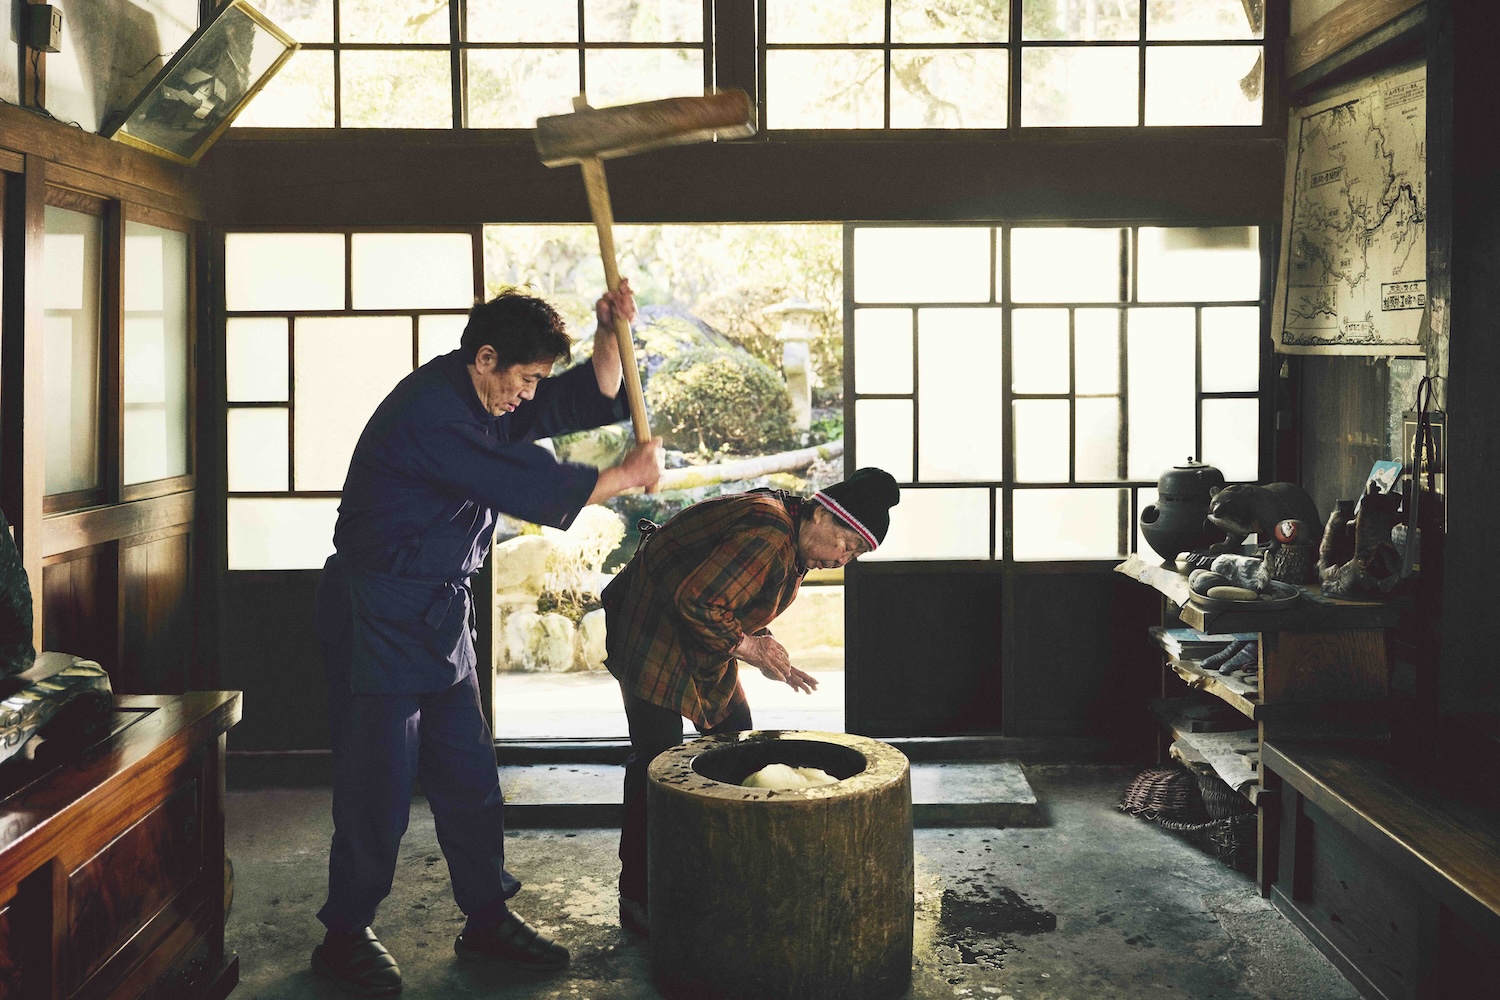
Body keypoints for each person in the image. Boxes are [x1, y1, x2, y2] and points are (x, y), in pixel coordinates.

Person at [311, 282, 662, 996]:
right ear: (486, 357)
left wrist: (605, 335)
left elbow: (575, 400)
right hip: (379, 607)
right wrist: (623, 476)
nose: (529, 397)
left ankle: (486, 916)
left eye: (535, 380)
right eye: (524, 379)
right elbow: (520, 481)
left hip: (439, 611)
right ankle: (344, 933)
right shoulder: (434, 412)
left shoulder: (483, 396)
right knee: (378, 785)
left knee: (469, 774)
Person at [600, 467, 901, 936]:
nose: (844, 559)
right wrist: (750, 648)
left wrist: (761, 642)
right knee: (656, 765)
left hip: (699, 640)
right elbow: (698, 600)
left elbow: (731, 596)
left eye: (856, 554)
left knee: (735, 744)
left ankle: (719, 872)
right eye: (847, 544)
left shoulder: (794, 537)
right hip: (652, 629)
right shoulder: (768, 531)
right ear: (822, 514)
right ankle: (638, 893)